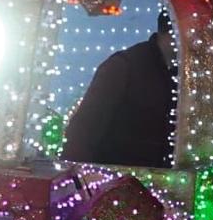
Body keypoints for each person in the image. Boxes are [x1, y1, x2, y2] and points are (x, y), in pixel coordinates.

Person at [60, 10, 176, 169]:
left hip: (147, 177)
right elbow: (84, 129)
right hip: (114, 178)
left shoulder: (176, 73)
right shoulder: (125, 66)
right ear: (171, 31)